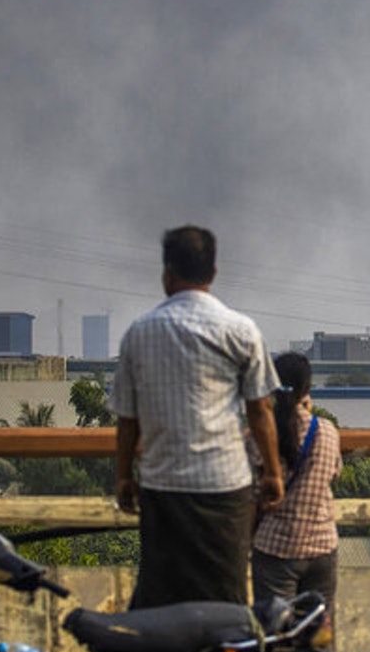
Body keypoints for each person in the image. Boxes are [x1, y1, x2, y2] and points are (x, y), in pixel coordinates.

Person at [113, 225, 283, 610]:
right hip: (225, 486)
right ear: (214, 273)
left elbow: (127, 420)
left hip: (163, 485)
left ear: (167, 273)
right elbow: (260, 411)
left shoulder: (138, 333)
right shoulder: (241, 330)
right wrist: (273, 472)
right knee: (225, 593)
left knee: (162, 596)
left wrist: (124, 476)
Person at [251, 352, 346, 652]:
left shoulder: (261, 433)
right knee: (319, 637)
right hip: (323, 547)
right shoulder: (328, 432)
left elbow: (252, 482)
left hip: (276, 550)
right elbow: (334, 472)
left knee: (276, 636)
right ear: (308, 389)